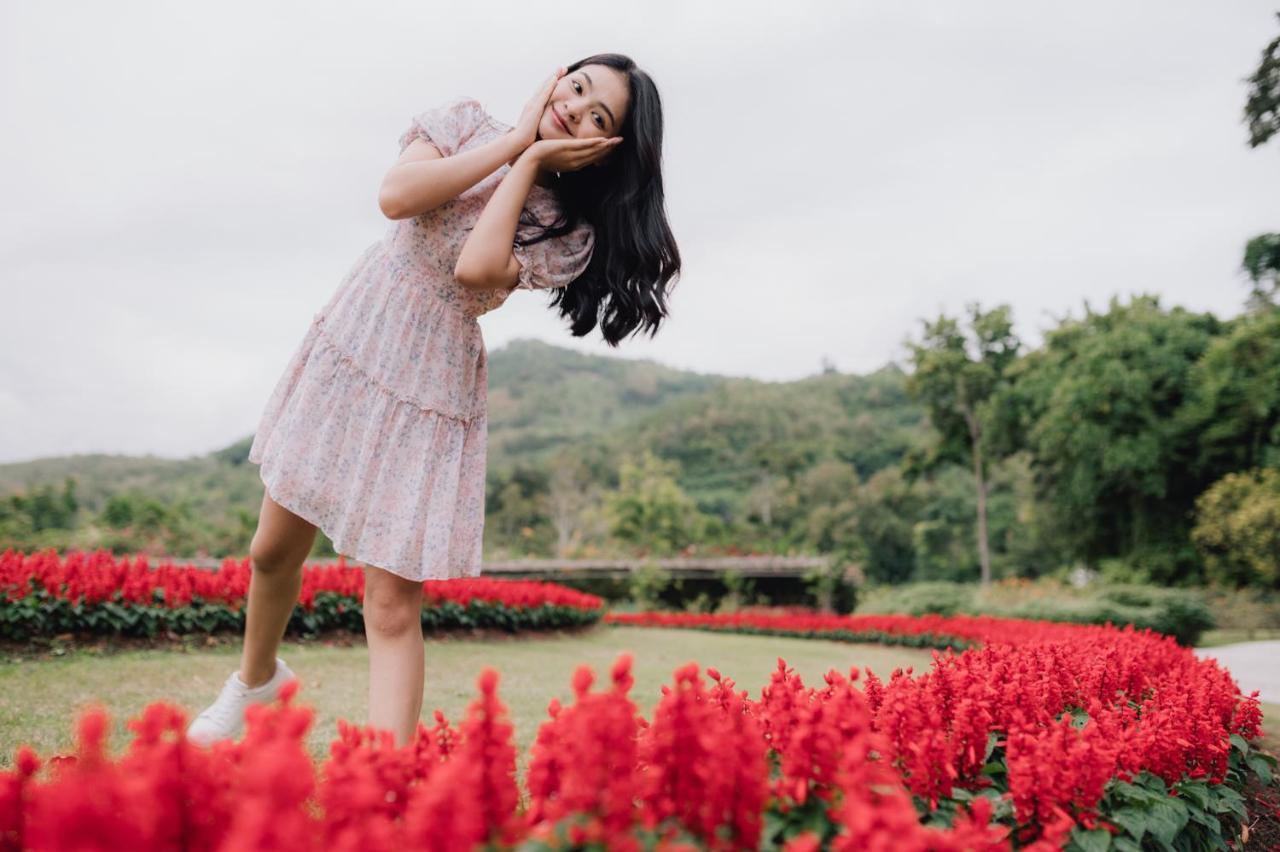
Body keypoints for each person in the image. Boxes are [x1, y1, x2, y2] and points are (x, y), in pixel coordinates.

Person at [185, 53, 681, 748]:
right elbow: (397, 198)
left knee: (389, 602)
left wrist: (532, 165)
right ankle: (257, 681)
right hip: (359, 336)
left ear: (604, 149)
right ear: (553, 77)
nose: (574, 108)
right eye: (576, 87)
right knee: (272, 549)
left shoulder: (570, 234)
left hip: (431, 380)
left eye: (597, 115)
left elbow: (474, 270)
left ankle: (386, 783)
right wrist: (513, 145)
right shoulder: (463, 122)